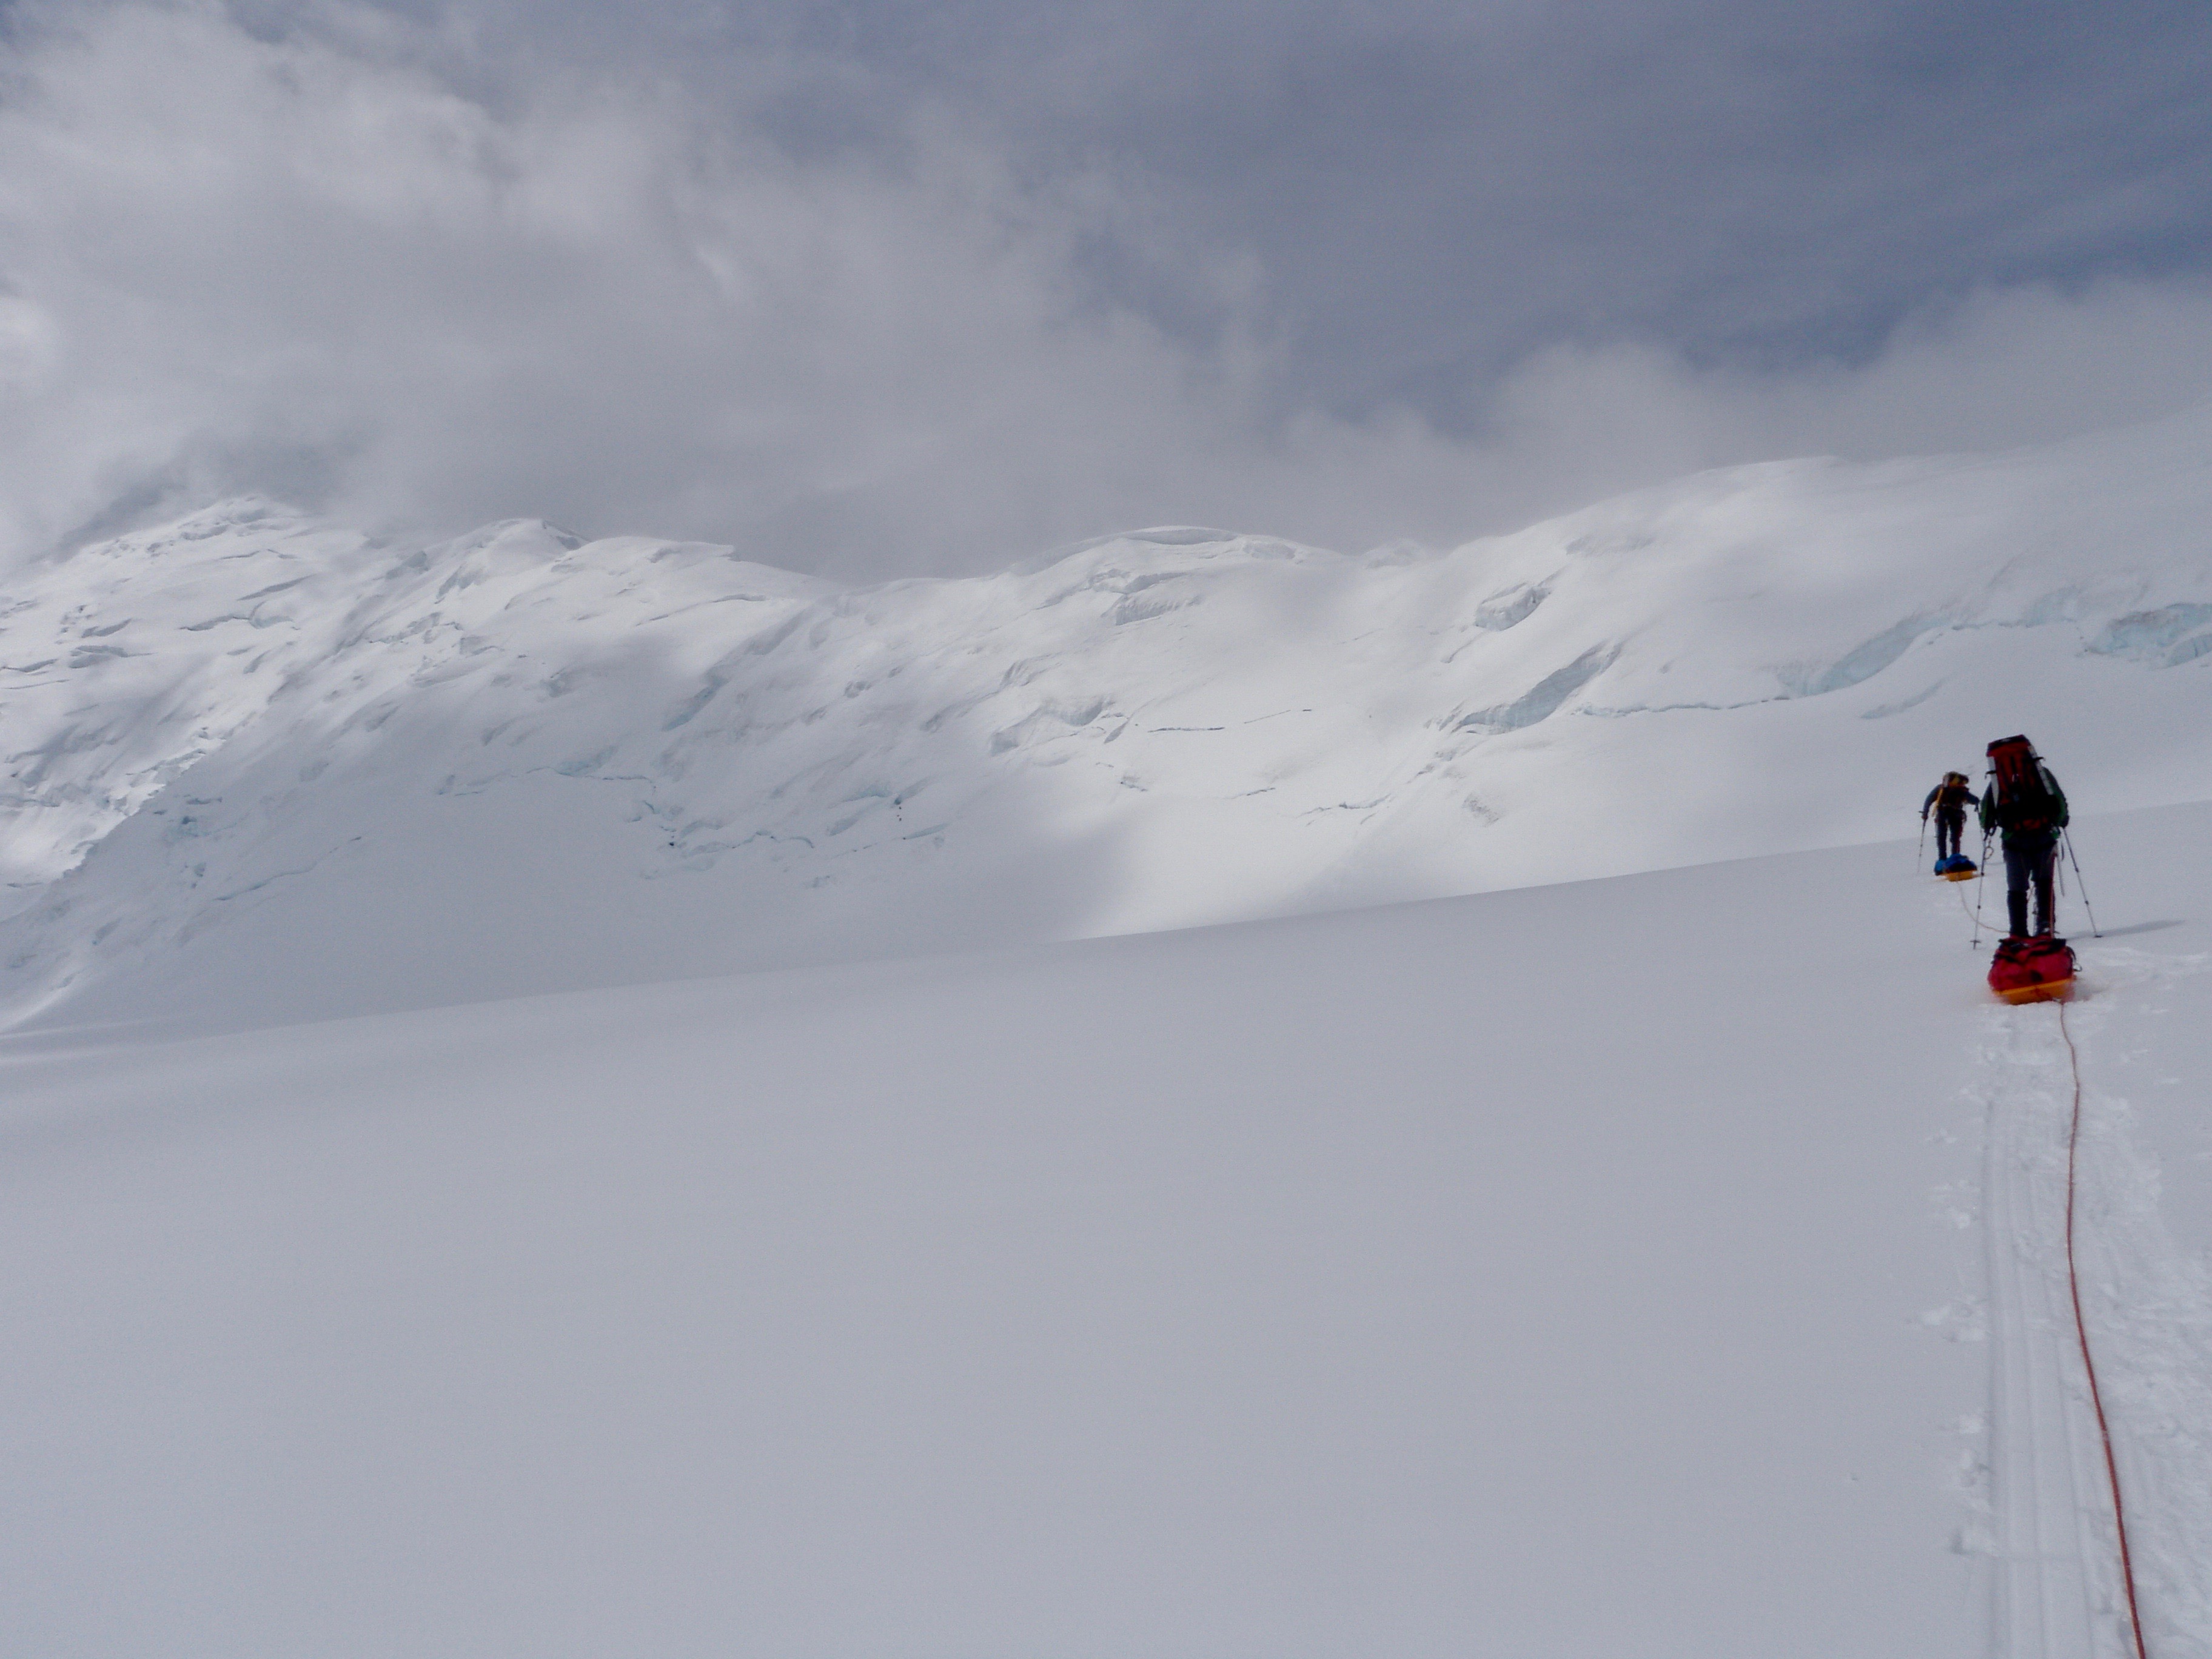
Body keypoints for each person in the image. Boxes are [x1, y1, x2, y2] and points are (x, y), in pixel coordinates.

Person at [1977, 736, 2070, 938]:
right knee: (2044, 882)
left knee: (2017, 888)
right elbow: (2058, 800)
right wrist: (2061, 820)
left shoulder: (1998, 779)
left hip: (2014, 839)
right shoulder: (2041, 774)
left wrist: (1990, 825)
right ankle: (2045, 927)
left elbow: (1986, 816)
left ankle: (2018, 932)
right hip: (2044, 834)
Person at [1921, 771, 1978, 863]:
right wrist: (1977, 802)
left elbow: (1929, 800)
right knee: (1954, 837)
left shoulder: (1941, 788)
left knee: (1942, 837)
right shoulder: (1961, 790)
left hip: (1943, 813)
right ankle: (1954, 857)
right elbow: (1972, 799)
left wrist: (1925, 813)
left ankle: (1943, 859)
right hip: (1956, 814)